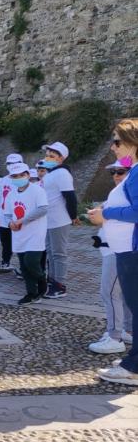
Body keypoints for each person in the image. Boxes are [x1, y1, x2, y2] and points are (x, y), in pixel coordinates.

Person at [89, 119, 138, 386]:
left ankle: (133, 367)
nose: (113, 147)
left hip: (133, 249)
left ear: (133, 143)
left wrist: (105, 214)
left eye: (118, 141)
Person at [87, 157, 133, 354]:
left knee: (110, 292)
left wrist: (104, 214)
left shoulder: (128, 193)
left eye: (120, 171)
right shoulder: (121, 193)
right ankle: (128, 331)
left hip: (119, 249)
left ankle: (114, 336)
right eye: (113, 172)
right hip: (115, 248)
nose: (115, 175)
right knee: (125, 295)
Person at [2, 163, 49, 304]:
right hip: (19, 233)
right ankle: (31, 293)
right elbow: (8, 213)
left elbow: (43, 209)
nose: (19, 178)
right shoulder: (11, 193)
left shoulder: (37, 191)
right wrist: (11, 223)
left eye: (22, 175)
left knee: (31, 261)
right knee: (23, 265)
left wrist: (23, 220)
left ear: (28, 175)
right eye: (15, 176)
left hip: (35, 232)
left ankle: (42, 280)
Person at [39, 141, 78, 298]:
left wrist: (73, 216)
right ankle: (52, 280)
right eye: (47, 155)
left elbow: (70, 197)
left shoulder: (62, 173)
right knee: (51, 251)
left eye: (52, 156)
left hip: (59, 219)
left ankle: (60, 285)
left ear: (61, 158)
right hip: (49, 219)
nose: (48, 158)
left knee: (59, 253)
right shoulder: (52, 172)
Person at [0, 153, 24, 273]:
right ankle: (5, 262)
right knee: (5, 242)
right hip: (4, 217)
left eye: (15, 163)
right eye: (9, 164)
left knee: (21, 242)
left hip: (19, 217)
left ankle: (23, 267)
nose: (12, 166)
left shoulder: (25, 180)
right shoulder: (2, 180)